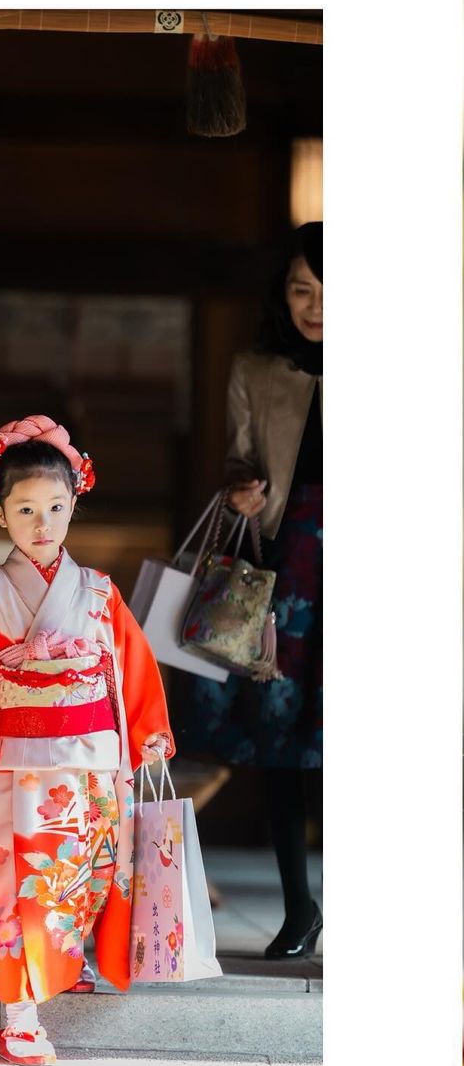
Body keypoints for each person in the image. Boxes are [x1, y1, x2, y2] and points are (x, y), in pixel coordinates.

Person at [0, 416, 174, 1065]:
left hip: (92, 764)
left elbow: (131, 668)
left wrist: (150, 732)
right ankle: (17, 1012)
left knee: (78, 882)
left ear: (75, 502)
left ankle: (57, 969)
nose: (42, 522)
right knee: (13, 891)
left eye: (55, 507)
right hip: (13, 767)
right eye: (25, 508)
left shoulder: (100, 593)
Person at [178, 221, 323, 959]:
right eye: (302, 289)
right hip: (287, 565)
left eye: (330, 290)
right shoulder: (256, 368)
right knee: (281, 737)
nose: (316, 305)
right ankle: (301, 907)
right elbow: (236, 459)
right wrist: (241, 491)